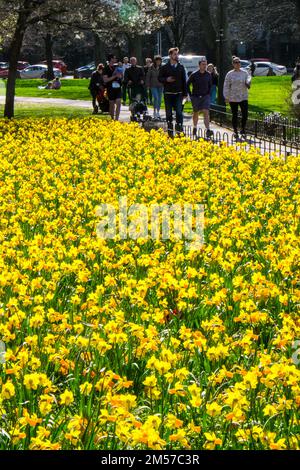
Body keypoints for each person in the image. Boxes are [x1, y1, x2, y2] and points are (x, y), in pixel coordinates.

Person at [158, 47, 188, 137]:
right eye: (174, 54)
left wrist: (185, 94)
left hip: (178, 94)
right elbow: (159, 78)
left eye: (177, 54)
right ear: (170, 55)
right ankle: (170, 130)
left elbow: (184, 81)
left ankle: (179, 129)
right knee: (169, 113)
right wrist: (166, 79)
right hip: (168, 94)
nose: (176, 56)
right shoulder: (164, 67)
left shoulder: (181, 67)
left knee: (179, 112)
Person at [223, 56, 251, 139]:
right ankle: (235, 131)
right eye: (235, 62)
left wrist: (248, 82)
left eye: (239, 62)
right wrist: (226, 96)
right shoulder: (230, 74)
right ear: (233, 64)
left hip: (243, 96)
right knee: (234, 114)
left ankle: (243, 129)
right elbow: (226, 85)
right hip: (233, 97)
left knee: (245, 114)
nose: (238, 64)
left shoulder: (244, 72)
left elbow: (249, 78)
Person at [187, 58, 213, 139]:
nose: (204, 66)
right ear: (199, 65)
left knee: (206, 112)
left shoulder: (208, 74)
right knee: (196, 113)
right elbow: (187, 84)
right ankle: (195, 127)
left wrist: (208, 94)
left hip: (205, 96)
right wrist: (190, 95)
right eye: (203, 64)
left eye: (205, 64)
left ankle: (208, 130)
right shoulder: (194, 74)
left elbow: (210, 85)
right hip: (196, 97)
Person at [103, 54, 122, 121]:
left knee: (119, 102)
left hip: (118, 87)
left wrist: (119, 76)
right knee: (111, 105)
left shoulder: (116, 67)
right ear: (111, 59)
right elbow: (105, 80)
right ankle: (112, 118)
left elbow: (120, 76)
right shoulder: (106, 68)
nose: (116, 59)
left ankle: (116, 119)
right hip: (110, 88)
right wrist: (114, 76)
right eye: (114, 58)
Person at [145, 55, 163, 119]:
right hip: (153, 85)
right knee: (156, 98)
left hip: (160, 85)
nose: (159, 62)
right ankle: (154, 111)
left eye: (160, 61)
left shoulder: (162, 67)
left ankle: (158, 111)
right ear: (155, 61)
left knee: (159, 99)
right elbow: (148, 76)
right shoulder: (151, 67)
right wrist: (147, 85)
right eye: (157, 61)